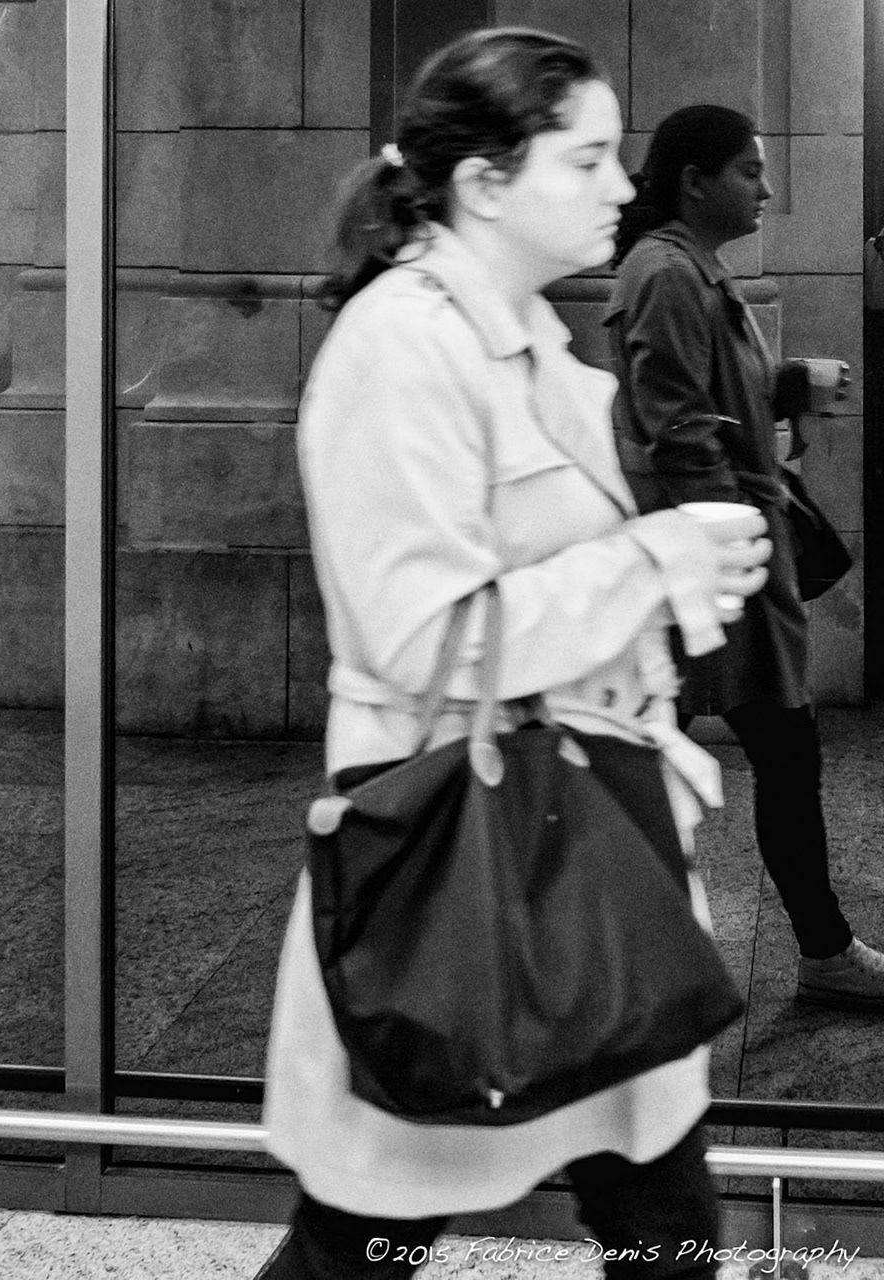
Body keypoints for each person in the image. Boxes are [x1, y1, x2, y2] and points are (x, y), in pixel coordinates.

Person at [260, 28, 770, 1273]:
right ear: (486, 182)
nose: (619, 184)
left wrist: (673, 578)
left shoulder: (528, 336)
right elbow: (427, 631)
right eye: (587, 157)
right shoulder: (400, 349)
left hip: (569, 836)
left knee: (658, 1213)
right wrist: (658, 564)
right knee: (373, 1229)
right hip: (465, 848)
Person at [605, 105, 884, 1010]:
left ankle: (804, 951)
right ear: (696, 180)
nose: (765, 188)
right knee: (754, 751)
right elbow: (675, 422)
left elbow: (707, 397)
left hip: (719, 555)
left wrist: (786, 382)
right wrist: (736, 546)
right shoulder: (664, 274)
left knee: (743, 751)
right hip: (716, 560)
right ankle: (815, 955)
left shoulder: (688, 270)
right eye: (750, 171)